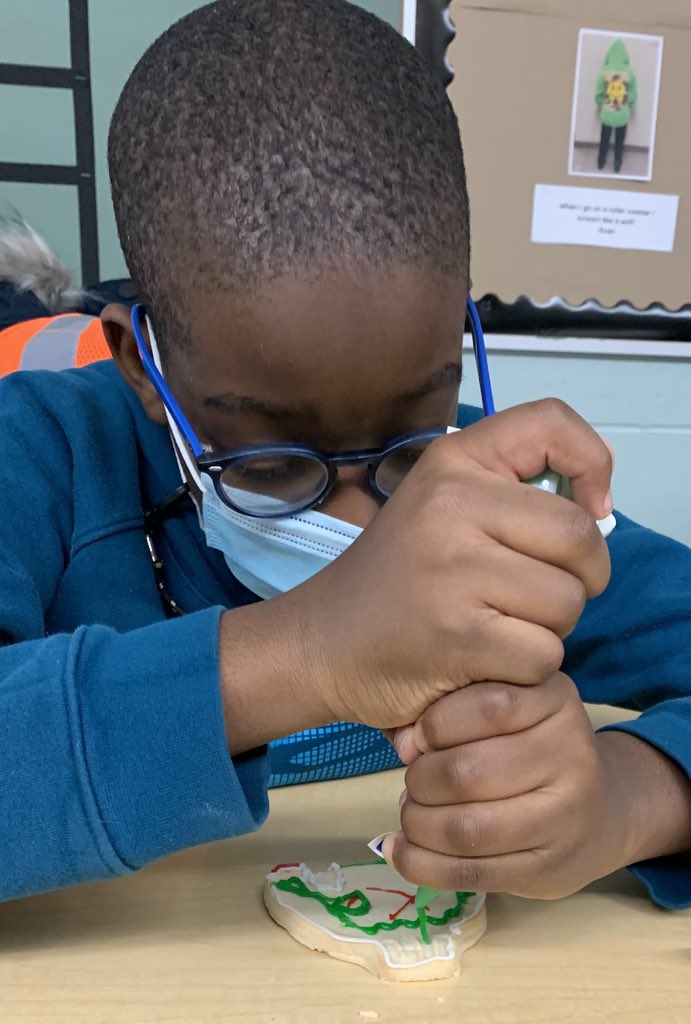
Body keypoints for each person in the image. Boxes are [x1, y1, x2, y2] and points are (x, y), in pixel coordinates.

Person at [0, 0, 688, 909]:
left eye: (408, 450)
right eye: (273, 465)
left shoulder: (502, 493)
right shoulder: (38, 454)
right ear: (142, 363)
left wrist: (630, 798)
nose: (362, 528)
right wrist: (311, 651)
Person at [596, 39, 638, 174]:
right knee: (620, 141)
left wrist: (602, 102)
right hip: (622, 114)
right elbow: (634, 95)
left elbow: (598, 94)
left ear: (609, 55)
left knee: (604, 138)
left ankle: (601, 161)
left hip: (607, 112)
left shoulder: (603, 72)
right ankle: (617, 164)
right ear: (625, 56)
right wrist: (627, 100)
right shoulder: (630, 73)